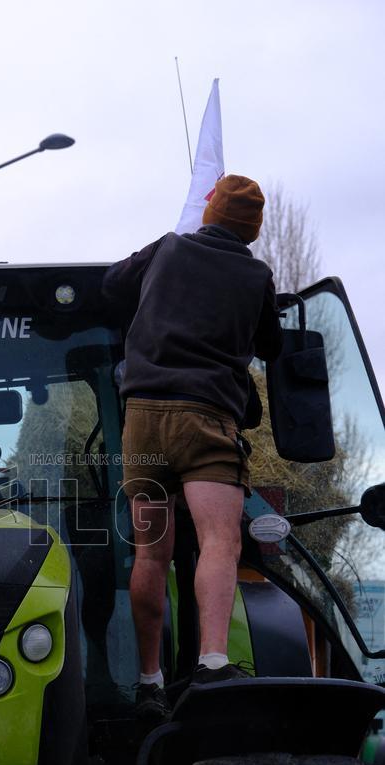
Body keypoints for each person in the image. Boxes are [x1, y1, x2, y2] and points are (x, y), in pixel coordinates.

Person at [102, 175, 282, 718]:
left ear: (209, 211)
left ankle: (149, 680)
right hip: (206, 419)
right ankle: (210, 663)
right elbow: (272, 347)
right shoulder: (256, 276)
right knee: (219, 543)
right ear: (251, 228)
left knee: (151, 551)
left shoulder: (168, 248)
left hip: (144, 422)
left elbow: (112, 286)